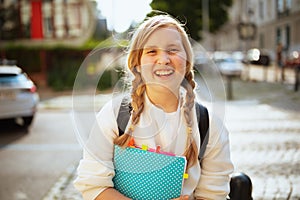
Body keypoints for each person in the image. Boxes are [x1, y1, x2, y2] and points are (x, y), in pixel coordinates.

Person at [73, 13, 234, 200]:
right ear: (137, 64)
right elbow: (93, 185)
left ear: (187, 61)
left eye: (173, 50)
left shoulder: (209, 125)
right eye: (151, 52)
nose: (164, 59)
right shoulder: (114, 115)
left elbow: (214, 194)